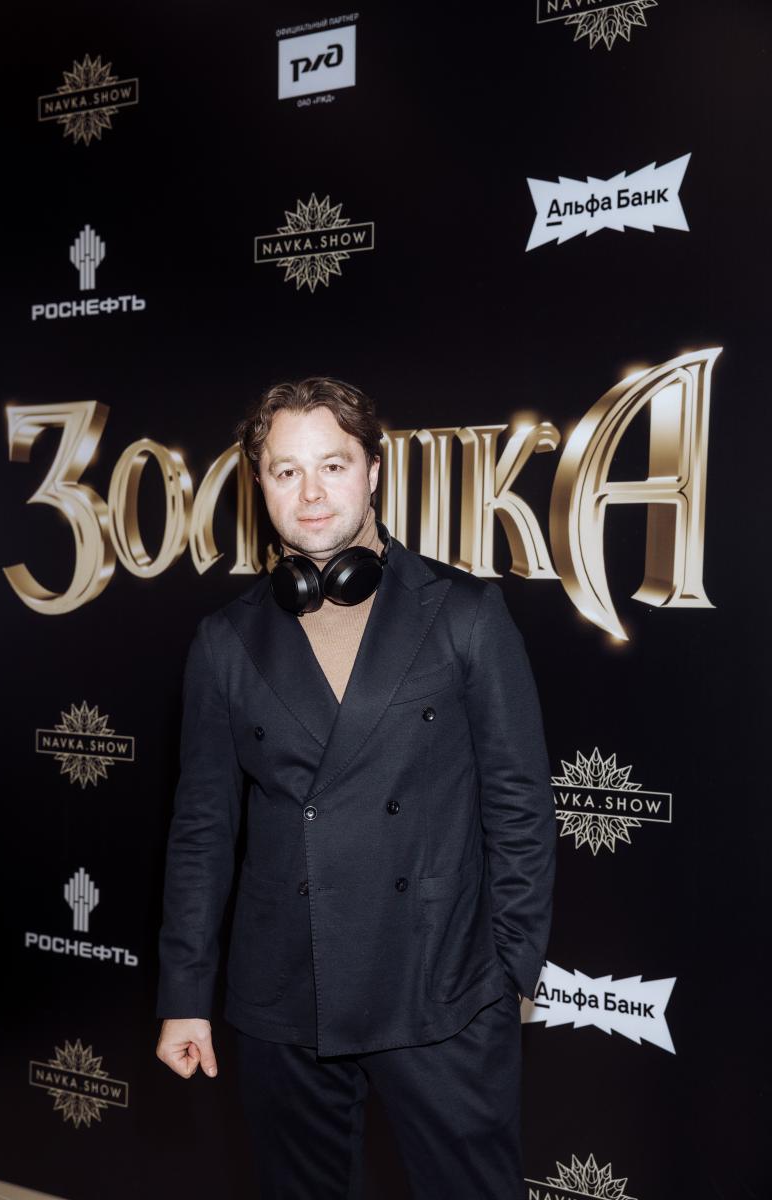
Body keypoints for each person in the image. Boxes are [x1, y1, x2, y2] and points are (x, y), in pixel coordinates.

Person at [155, 377, 556, 1199]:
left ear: (373, 470)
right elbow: (202, 829)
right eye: (286, 471)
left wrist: (509, 971)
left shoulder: (465, 612)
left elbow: (520, 805)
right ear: (259, 483)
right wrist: (185, 995)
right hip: (284, 993)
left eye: (332, 465)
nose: (310, 493)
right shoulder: (226, 641)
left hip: (441, 984)